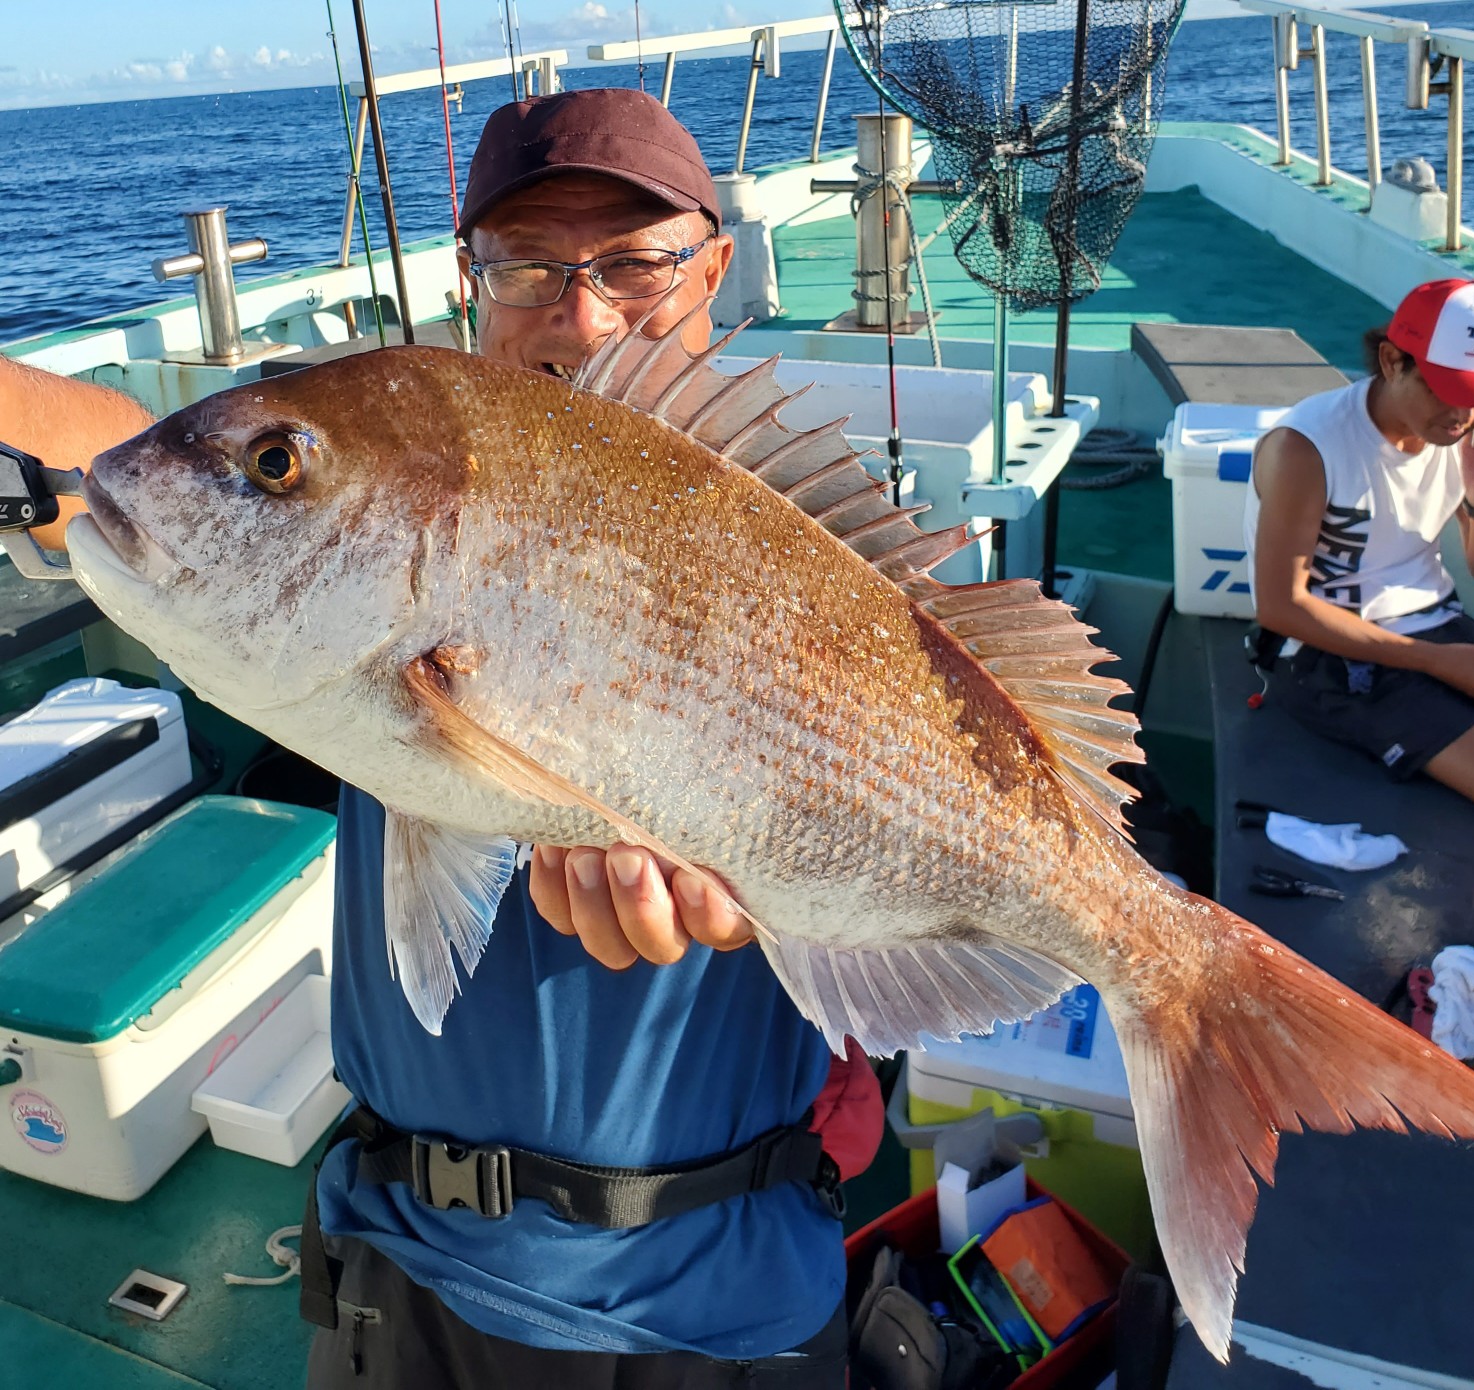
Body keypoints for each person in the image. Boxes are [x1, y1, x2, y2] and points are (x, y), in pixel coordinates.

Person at [1, 88, 882, 1388]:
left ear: (713, 268)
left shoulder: (830, 569)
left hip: (711, 1308)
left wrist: (753, 891)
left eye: (633, 261)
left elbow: (887, 881)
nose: (581, 313)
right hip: (393, 1277)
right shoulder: (390, 474)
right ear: (472, 283)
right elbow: (111, 452)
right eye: (529, 265)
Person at [1246, 277, 1474, 800]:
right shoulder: (1308, 448)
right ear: (1393, 361)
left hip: (1439, 622)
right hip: (1327, 652)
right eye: (1448, 390)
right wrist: (1440, 662)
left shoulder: (1461, 433)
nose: (1462, 414)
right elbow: (1282, 607)